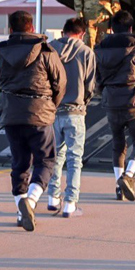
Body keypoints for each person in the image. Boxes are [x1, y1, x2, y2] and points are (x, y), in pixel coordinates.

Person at [0, 10, 66, 232]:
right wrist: (50, 105)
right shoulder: (46, 50)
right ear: (32, 27)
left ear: (11, 29)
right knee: (46, 161)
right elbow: (60, 83)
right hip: (40, 114)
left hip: (11, 114)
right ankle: (31, 202)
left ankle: (20, 209)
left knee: (19, 162)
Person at [95, 10, 135, 202]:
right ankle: (128, 176)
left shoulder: (100, 49)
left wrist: (105, 92)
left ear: (111, 28)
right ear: (130, 28)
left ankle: (119, 188)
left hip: (111, 101)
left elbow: (98, 79)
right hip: (133, 100)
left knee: (118, 144)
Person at [46, 17, 96, 217]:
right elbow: (90, 85)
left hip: (52, 111)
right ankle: (70, 203)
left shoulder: (50, 49)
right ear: (82, 33)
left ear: (63, 31)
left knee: (55, 157)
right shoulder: (86, 52)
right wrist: (83, 101)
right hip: (75, 111)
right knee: (75, 159)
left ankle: (52, 198)